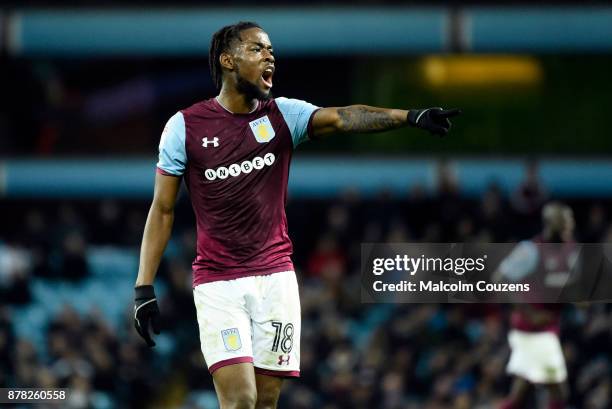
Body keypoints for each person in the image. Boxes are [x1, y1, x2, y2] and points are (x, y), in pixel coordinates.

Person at [133, 21, 460, 409]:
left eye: (271, 49)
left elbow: (344, 117)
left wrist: (409, 116)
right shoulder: (184, 127)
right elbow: (163, 209)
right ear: (227, 60)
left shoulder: (284, 116)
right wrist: (143, 288)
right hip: (218, 284)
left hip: (277, 282)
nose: (269, 55)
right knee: (240, 400)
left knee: (266, 402)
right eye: (256, 49)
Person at [496, 202, 576, 409]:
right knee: (557, 388)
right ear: (551, 222)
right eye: (565, 221)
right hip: (531, 327)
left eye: (570, 220)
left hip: (550, 324)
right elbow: (500, 279)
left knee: (522, 390)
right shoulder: (530, 250)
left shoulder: (570, 251)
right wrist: (529, 312)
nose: (570, 225)